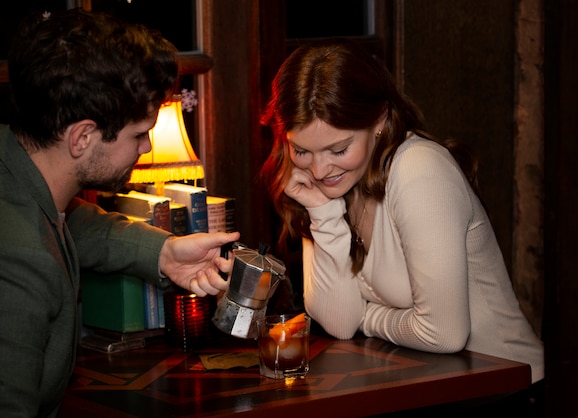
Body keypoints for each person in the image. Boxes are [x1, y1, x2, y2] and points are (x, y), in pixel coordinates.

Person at [259, 38, 544, 389]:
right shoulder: (335, 185)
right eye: (301, 150)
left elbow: (443, 334)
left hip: (513, 388)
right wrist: (323, 213)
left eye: (339, 149)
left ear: (379, 120)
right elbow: (339, 323)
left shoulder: (418, 169)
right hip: (434, 389)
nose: (318, 170)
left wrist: (368, 317)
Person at [0, 9, 239, 417]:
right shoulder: (18, 265)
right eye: (138, 134)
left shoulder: (21, 176)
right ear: (83, 137)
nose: (146, 147)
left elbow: (69, 221)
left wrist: (164, 252)